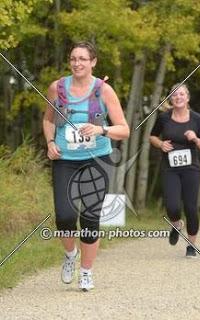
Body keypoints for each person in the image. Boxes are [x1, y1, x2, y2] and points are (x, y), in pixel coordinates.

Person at [43, 41, 129, 291]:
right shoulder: (57, 87)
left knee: (91, 217)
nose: (77, 63)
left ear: (93, 62)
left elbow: (123, 129)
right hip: (65, 160)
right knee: (65, 216)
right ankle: (70, 255)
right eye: (73, 58)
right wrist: (49, 142)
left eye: (82, 59)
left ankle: (87, 271)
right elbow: (48, 120)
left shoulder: (104, 90)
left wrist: (101, 129)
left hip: (97, 159)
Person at [150, 83, 200, 258]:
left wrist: (196, 139)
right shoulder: (164, 118)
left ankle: (191, 245)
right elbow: (152, 136)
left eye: (181, 94)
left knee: (191, 208)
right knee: (172, 206)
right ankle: (176, 224)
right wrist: (161, 144)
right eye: (175, 95)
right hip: (170, 169)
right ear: (171, 99)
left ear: (187, 98)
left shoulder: (197, 119)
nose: (178, 97)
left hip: (191, 169)